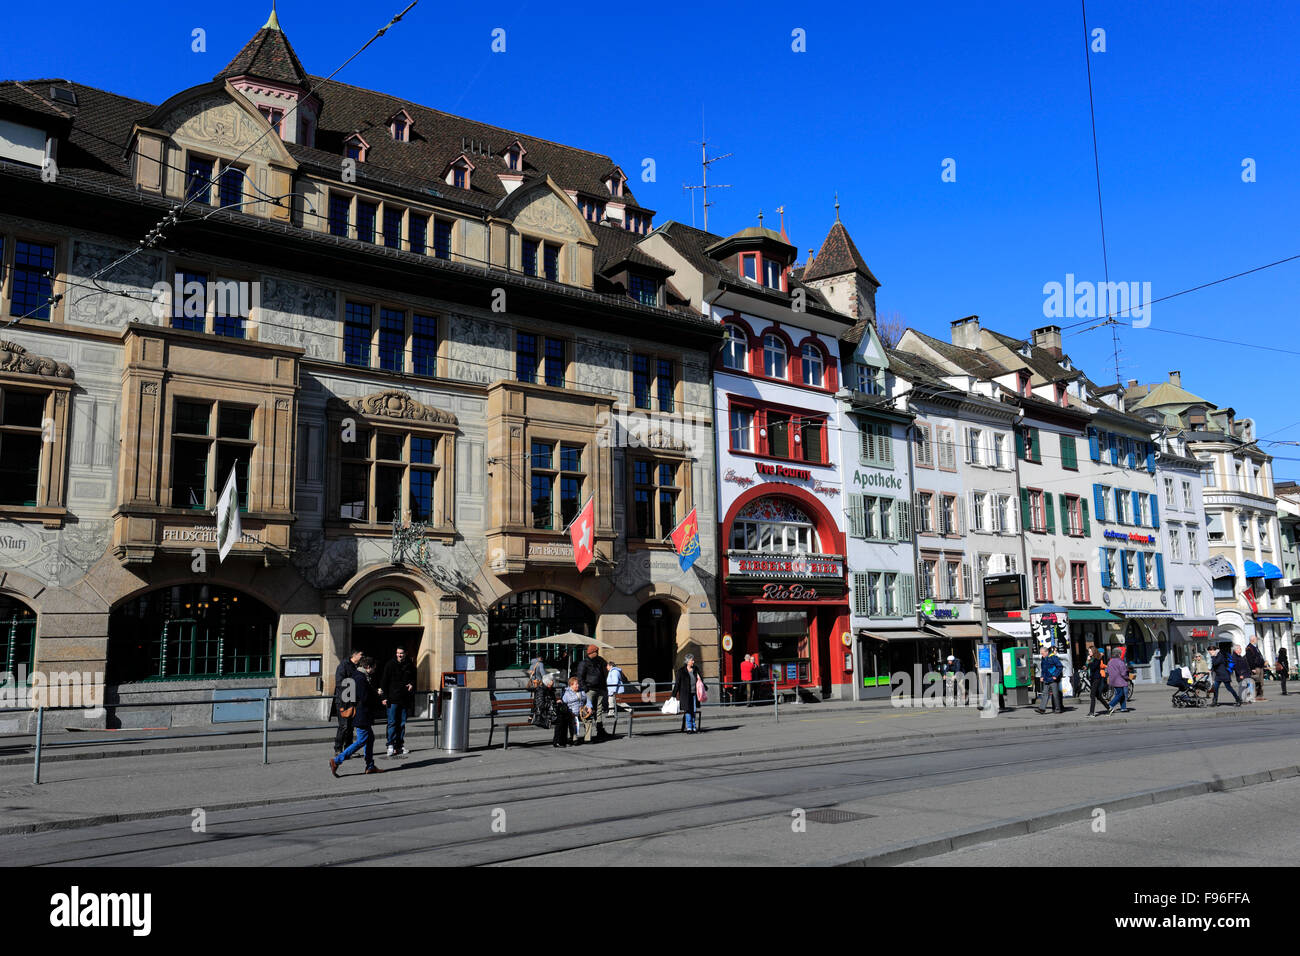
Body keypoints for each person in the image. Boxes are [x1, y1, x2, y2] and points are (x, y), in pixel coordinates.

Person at [329, 656, 384, 776]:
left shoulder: (358, 676)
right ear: (368, 667)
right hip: (361, 714)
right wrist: (376, 694)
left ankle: (370, 766)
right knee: (362, 740)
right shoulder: (360, 678)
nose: (374, 670)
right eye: (373, 668)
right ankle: (337, 760)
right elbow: (364, 697)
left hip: (362, 714)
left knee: (370, 739)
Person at [378, 645, 416, 757]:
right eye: (398, 653)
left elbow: (413, 677)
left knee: (402, 723)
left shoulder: (409, 664)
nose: (399, 655)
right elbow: (384, 681)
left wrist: (412, 684)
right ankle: (390, 745)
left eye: (401, 653)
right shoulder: (390, 664)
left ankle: (399, 745)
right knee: (392, 723)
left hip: (404, 699)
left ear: (405, 654)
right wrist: (384, 697)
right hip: (392, 698)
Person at [576, 644, 610, 741]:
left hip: (599, 688)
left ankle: (600, 730)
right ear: (592, 652)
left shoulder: (600, 661)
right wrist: (585, 689)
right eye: (596, 652)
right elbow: (580, 677)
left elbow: (605, 672)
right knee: (588, 711)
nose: (598, 653)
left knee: (599, 710)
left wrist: (604, 687)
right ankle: (588, 733)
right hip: (590, 689)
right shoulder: (584, 663)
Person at [333, 648, 363, 755]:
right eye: (361, 654)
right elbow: (339, 683)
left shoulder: (355, 667)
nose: (362, 657)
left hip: (352, 701)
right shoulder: (343, 665)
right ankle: (338, 749)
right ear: (354, 655)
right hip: (343, 701)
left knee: (350, 726)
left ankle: (348, 749)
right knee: (344, 726)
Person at [673, 654, 704, 733]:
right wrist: (673, 694)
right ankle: (689, 727)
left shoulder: (695, 669)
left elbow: (700, 680)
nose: (693, 661)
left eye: (693, 660)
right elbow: (677, 683)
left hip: (694, 693)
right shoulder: (681, 671)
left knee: (693, 710)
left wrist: (704, 685)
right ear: (687, 661)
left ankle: (694, 726)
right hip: (685, 694)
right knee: (687, 710)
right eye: (692, 660)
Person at [1037, 645, 1064, 714]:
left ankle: (1058, 709)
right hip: (1046, 679)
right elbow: (1043, 669)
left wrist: (1055, 675)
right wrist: (1042, 676)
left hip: (1053, 679)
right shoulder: (1043, 658)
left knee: (1055, 694)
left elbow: (1060, 666)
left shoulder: (1053, 657)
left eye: (1042, 653)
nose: (1042, 655)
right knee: (1045, 694)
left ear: (1046, 652)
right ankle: (1042, 709)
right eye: (1041, 653)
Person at [1105, 648, 1131, 714]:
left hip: (1113, 680)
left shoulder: (1110, 662)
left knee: (1120, 694)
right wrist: (1127, 678)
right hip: (1120, 680)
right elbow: (1123, 673)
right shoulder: (1120, 662)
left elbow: (1107, 671)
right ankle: (1110, 705)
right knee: (1120, 694)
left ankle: (1123, 708)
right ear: (1119, 654)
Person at [561, 677, 586, 745]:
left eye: (578, 684)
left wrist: (588, 707)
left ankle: (587, 737)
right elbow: (564, 701)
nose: (578, 685)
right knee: (574, 720)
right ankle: (574, 738)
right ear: (571, 685)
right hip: (572, 712)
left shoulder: (581, 691)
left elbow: (586, 698)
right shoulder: (567, 692)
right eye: (576, 684)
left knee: (588, 719)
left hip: (581, 711)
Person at [1086, 647, 1108, 717]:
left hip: (1096, 678)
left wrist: (1089, 662)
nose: (1089, 652)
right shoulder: (1092, 658)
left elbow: (1093, 667)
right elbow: (1088, 666)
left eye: (1090, 651)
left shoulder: (1097, 659)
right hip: (1093, 678)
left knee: (1092, 695)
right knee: (1098, 696)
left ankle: (1091, 712)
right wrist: (1087, 662)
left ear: (1093, 651)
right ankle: (1109, 708)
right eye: (1088, 651)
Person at [1246, 637, 1267, 702]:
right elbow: (1249, 659)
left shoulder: (1255, 647)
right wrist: (1252, 668)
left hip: (1260, 666)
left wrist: (1263, 663)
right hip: (1256, 667)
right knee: (1256, 681)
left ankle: (1260, 696)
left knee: (1260, 682)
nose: (1257, 640)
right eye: (1256, 639)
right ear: (1253, 640)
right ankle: (1254, 696)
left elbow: (1259, 656)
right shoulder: (1249, 648)